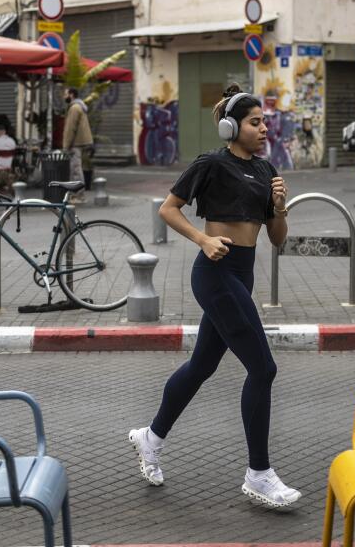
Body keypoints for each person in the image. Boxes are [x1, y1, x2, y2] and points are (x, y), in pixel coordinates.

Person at [128, 84, 299, 508]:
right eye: (255, 122)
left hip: (242, 275)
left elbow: (277, 240)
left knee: (202, 365)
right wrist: (203, 239)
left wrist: (279, 208)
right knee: (263, 369)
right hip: (215, 272)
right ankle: (258, 473)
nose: (264, 129)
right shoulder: (211, 164)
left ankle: (149, 437)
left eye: (265, 123)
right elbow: (169, 208)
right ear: (231, 127)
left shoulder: (265, 171)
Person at [62, 87, 94, 200]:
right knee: (76, 168)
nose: (63, 96)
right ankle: (77, 193)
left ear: (71, 95)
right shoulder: (78, 106)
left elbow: (71, 128)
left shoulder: (74, 108)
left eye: (65, 94)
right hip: (79, 142)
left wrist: (66, 145)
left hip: (75, 143)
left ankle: (78, 195)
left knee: (75, 169)